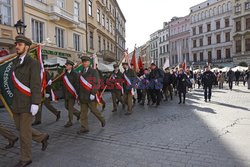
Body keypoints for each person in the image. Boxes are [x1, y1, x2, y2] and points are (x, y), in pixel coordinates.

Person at [12, 35, 49, 167]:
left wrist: (35, 103)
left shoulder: (33, 63)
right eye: (16, 44)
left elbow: (35, 85)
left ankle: (26, 158)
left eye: (20, 44)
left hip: (28, 103)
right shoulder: (15, 62)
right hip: (16, 103)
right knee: (20, 128)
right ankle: (42, 137)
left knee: (24, 133)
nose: (17, 46)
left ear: (27, 47)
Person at [77, 56, 106, 134]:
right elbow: (79, 84)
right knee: (83, 113)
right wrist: (78, 95)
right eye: (83, 62)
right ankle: (84, 127)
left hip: (90, 95)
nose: (84, 63)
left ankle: (102, 119)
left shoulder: (93, 71)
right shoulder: (81, 72)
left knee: (94, 111)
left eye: (86, 62)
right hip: (83, 96)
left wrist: (93, 93)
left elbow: (96, 83)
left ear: (89, 62)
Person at [62, 60, 81, 128]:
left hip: (72, 93)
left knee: (70, 108)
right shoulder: (64, 74)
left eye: (67, 65)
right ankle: (78, 114)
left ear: (71, 66)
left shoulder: (75, 74)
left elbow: (77, 84)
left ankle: (70, 121)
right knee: (66, 106)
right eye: (66, 65)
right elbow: (63, 84)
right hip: (66, 94)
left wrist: (77, 93)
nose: (66, 66)